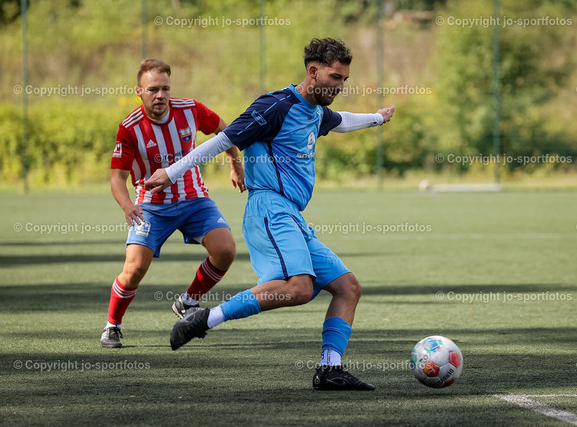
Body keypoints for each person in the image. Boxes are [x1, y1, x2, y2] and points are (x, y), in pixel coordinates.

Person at [146, 38, 395, 390]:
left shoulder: (316, 110)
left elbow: (340, 121)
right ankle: (204, 319)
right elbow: (223, 139)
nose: (340, 86)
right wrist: (171, 173)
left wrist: (377, 118)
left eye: (344, 80)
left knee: (347, 287)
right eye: (336, 78)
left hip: (291, 215)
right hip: (270, 210)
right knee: (298, 288)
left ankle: (330, 369)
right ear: (313, 71)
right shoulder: (275, 106)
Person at [101, 58, 246, 348]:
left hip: (194, 199)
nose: (160, 95)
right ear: (139, 91)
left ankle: (188, 301)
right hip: (151, 206)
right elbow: (117, 177)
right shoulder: (129, 128)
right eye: (153, 89)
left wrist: (235, 162)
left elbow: (225, 131)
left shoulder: (191, 110)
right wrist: (128, 206)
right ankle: (112, 325)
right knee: (134, 269)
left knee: (226, 250)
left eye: (165, 88)